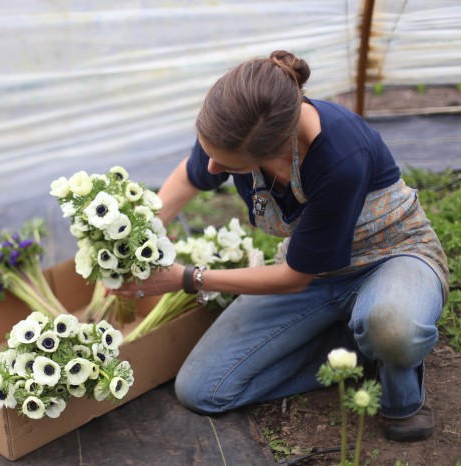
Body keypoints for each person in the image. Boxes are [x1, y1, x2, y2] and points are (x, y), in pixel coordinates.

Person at [114, 50, 449, 442]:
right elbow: (191, 179)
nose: (213, 169)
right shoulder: (236, 117)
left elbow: (292, 278)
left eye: (228, 166)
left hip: (391, 257)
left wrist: (189, 277)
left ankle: (399, 379)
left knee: (393, 328)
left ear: (274, 151)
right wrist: (140, 234)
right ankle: (355, 350)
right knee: (203, 389)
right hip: (316, 272)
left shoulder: (340, 156)